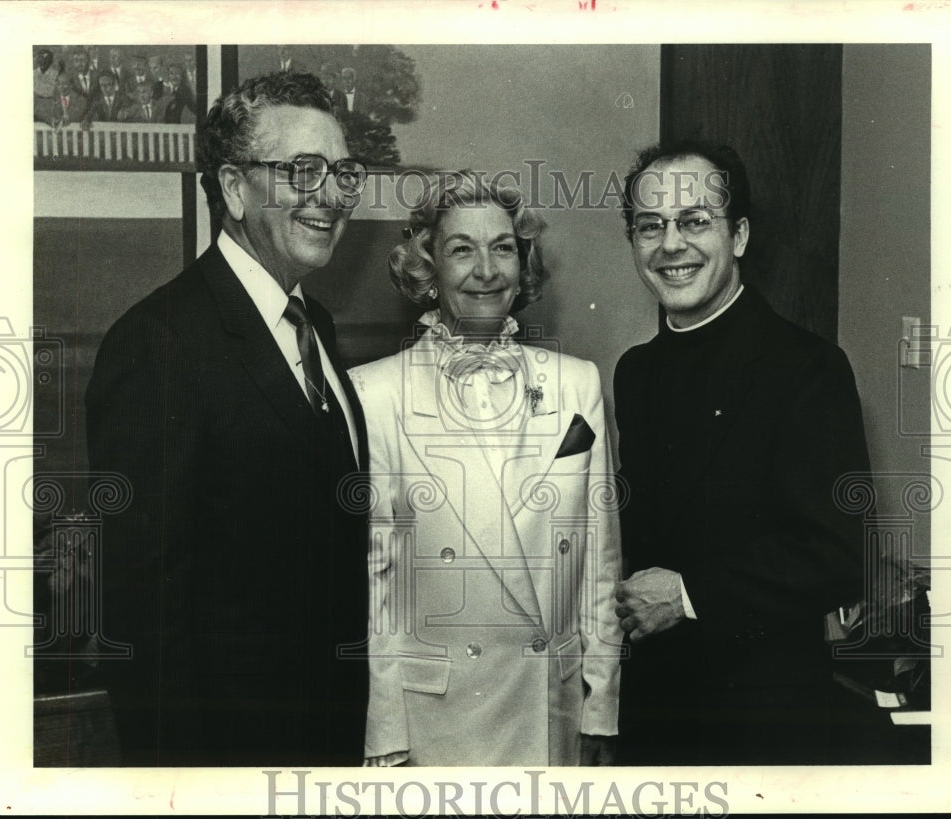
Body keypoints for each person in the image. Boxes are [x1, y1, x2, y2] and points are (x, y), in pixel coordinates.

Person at [86, 71, 371, 766]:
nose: (329, 195)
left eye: (342, 172)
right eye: (302, 170)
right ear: (236, 188)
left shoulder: (315, 326)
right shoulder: (158, 342)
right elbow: (144, 623)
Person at [612, 139, 871, 765]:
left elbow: (837, 555)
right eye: (651, 226)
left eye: (695, 221)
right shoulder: (634, 372)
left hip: (763, 725)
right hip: (655, 718)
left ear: (741, 235)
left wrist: (688, 594)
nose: (671, 245)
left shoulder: (809, 368)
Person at [350, 173, 623, 767]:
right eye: (461, 249)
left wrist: (601, 706)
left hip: (549, 710)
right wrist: (386, 733)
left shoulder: (577, 382)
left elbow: (599, 563)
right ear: (427, 270)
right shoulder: (374, 393)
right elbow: (376, 584)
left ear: (523, 265)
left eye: (502, 247)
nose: (486, 269)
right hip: (435, 718)